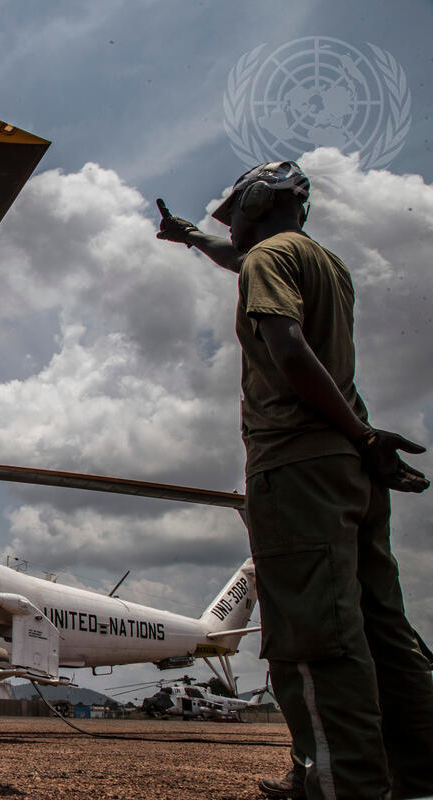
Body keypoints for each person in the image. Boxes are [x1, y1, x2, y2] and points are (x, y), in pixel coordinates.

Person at [157, 162, 433, 799]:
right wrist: (192, 236)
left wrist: (362, 435)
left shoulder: (268, 259)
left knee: (314, 638)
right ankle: (416, 780)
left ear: (258, 200)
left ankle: (342, 785)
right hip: (348, 469)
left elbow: (287, 348)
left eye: (234, 212)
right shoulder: (325, 263)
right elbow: (239, 258)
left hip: (296, 464)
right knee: (383, 630)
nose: (232, 226)